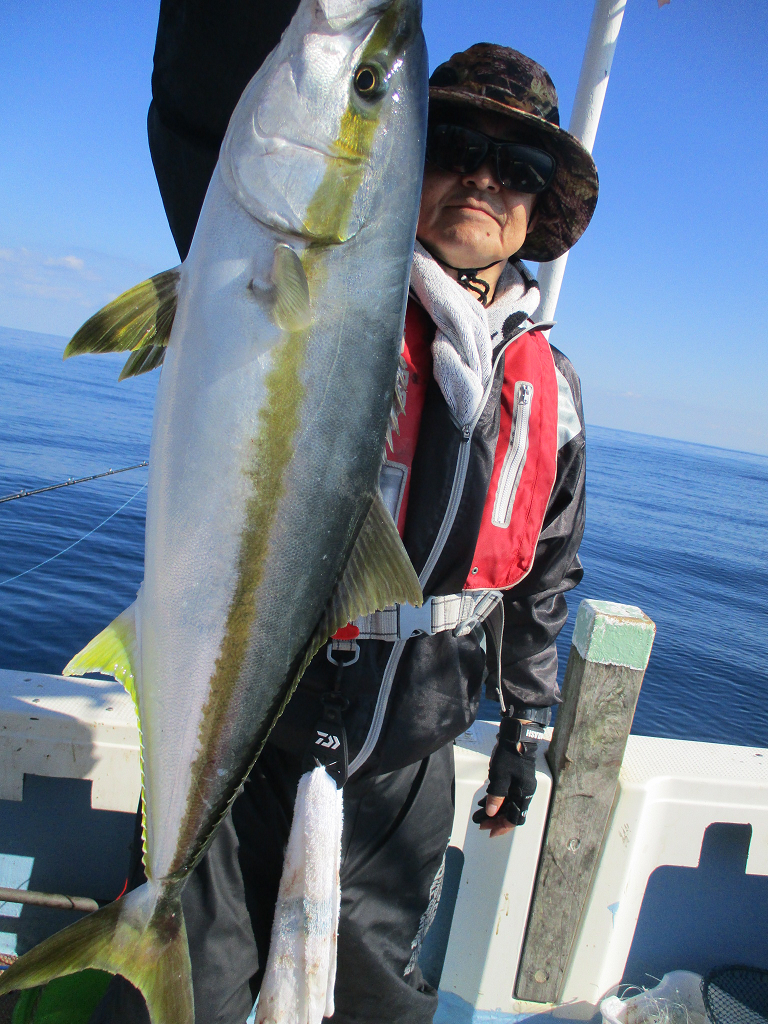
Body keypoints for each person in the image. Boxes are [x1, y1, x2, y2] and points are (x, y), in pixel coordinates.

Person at [91, 35, 597, 1024]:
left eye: (519, 170)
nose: (483, 180)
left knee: (378, 1003)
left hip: (410, 751)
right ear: (404, 164)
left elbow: (545, 576)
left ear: (537, 215)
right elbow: (200, 106)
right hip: (260, 715)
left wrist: (525, 735)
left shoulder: (556, 393)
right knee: (176, 996)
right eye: (451, 145)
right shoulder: (319, 293)